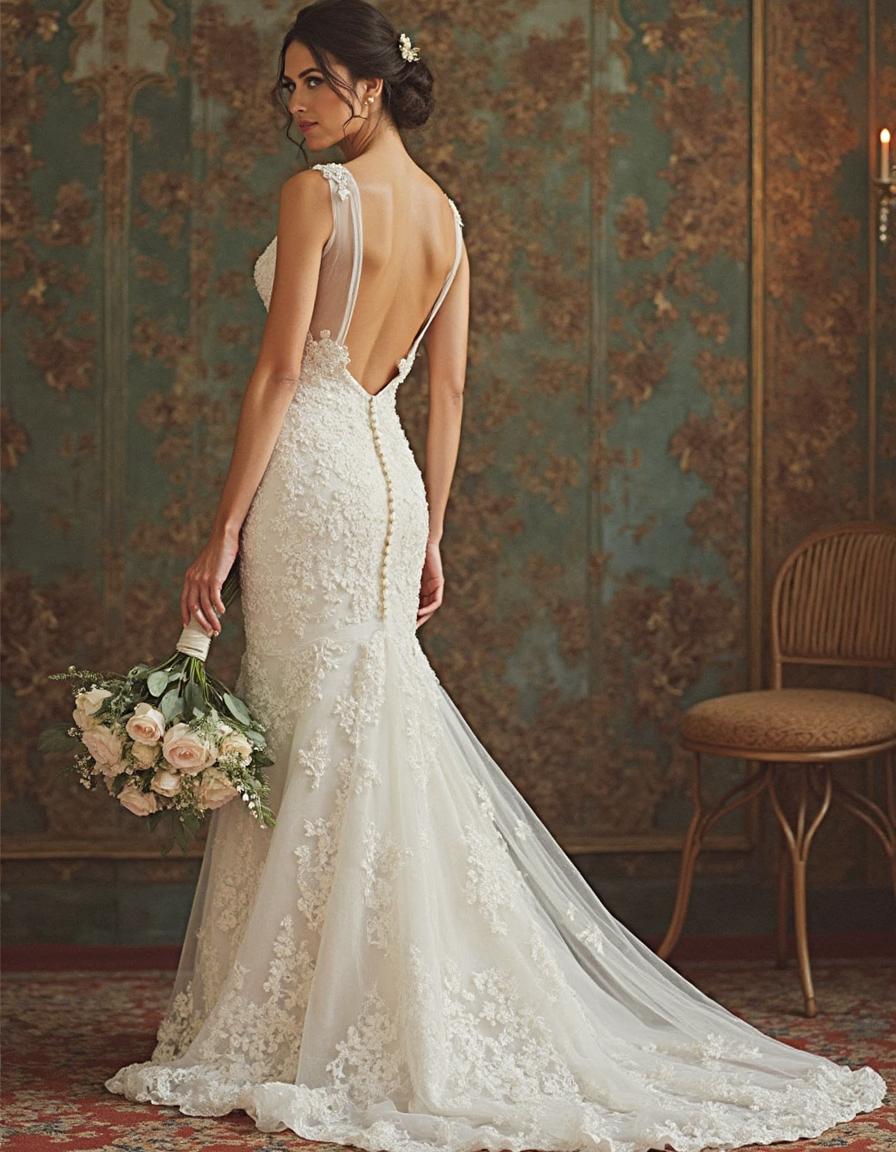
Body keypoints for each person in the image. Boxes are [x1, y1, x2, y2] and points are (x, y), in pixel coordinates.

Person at [105, 2, 887, 1148]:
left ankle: (307, 1009)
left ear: (370, 87)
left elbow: (276, 375)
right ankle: (358, 995)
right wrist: (431, 529)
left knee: (309, 721)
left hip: (314, 473)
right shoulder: (446, 217)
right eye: (288, 85)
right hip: (386, 476)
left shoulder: (319, 197)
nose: (294, 104)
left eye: (313, 81)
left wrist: (219, 531)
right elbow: (450, 389)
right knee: (355, 718)